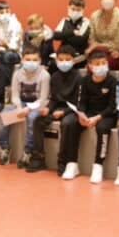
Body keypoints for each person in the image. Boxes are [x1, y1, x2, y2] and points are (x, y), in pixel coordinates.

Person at [30, 45, 82, 177]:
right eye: (61, 59)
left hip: (72, 111)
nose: (64, 62)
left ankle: (62, 161)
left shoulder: (78, 77)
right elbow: (53, 98)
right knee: (37, 120)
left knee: (67, 123)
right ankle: (38, 157)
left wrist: (64, 112)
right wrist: (48, 109)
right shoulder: (54, 77)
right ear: (56, 60)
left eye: (67, 59)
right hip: (57, 109)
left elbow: (78, 102)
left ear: (73, 60)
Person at [67, 49, 118, 182]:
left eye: (103, 63)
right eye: (97, 64)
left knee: (102, 128)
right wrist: (82, 115)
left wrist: (97, 118)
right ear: (90, 66)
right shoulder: (84, 81)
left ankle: (98, 165)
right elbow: (81, 102)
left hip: (106, 115)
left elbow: (113, 107)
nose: (101, 66)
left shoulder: (113, 82)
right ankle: (72, 163)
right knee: (70, 123)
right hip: (88, 113)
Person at [0, 46, 50, 170]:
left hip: (37, 105)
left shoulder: (45, 75)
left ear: (40, 60)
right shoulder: (17, 74)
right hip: (21, 104)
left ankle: (28, 151)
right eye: (28, 59)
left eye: (34, 59)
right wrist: (19, 107)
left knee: (32, 118)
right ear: (22, 60)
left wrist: (28, 109)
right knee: (5, 114)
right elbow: (15, 95)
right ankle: (4, 147)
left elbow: (43, 98)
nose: (31, 62)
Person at [88, 0, 119, 70]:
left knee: (100, 65)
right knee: (92, 65)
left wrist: (98, 46)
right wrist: (98, 48)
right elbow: (92, 39)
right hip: (97, 53)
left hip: (116, 53)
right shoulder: (94, 16)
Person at [53, 0, 90, 69]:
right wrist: (72, 32)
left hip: (79, 56)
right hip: (63, 55)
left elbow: (80, 40)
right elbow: (55, 36)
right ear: (68, 7)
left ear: (83, 10)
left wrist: (64, 35)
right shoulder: (64, 21)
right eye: (73, 9)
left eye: (78, 10)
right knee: (52, 65)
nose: (75, 12)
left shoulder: (86, 22)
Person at [0, 0, 23, 66]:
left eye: (7, 12)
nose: (5, 15)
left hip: (14, 53)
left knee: (6, 55)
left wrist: (6, 46)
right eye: (1, 13)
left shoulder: (16, 24)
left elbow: (15, 47)